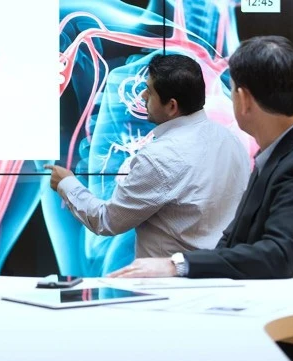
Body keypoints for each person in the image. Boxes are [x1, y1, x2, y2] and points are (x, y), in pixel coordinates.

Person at [109, 36, 293, 361]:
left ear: (244, 98)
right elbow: (234, 240)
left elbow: (278, 255)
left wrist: (177, 265)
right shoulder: (280, 154)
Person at [45, 54, 250, 258]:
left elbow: (107, 220)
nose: (143, 96)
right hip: (221, 271)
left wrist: (67, 184)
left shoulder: (157, 159)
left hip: (171, 277)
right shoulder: (231, 140)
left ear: (171, 106)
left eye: (150, 92)